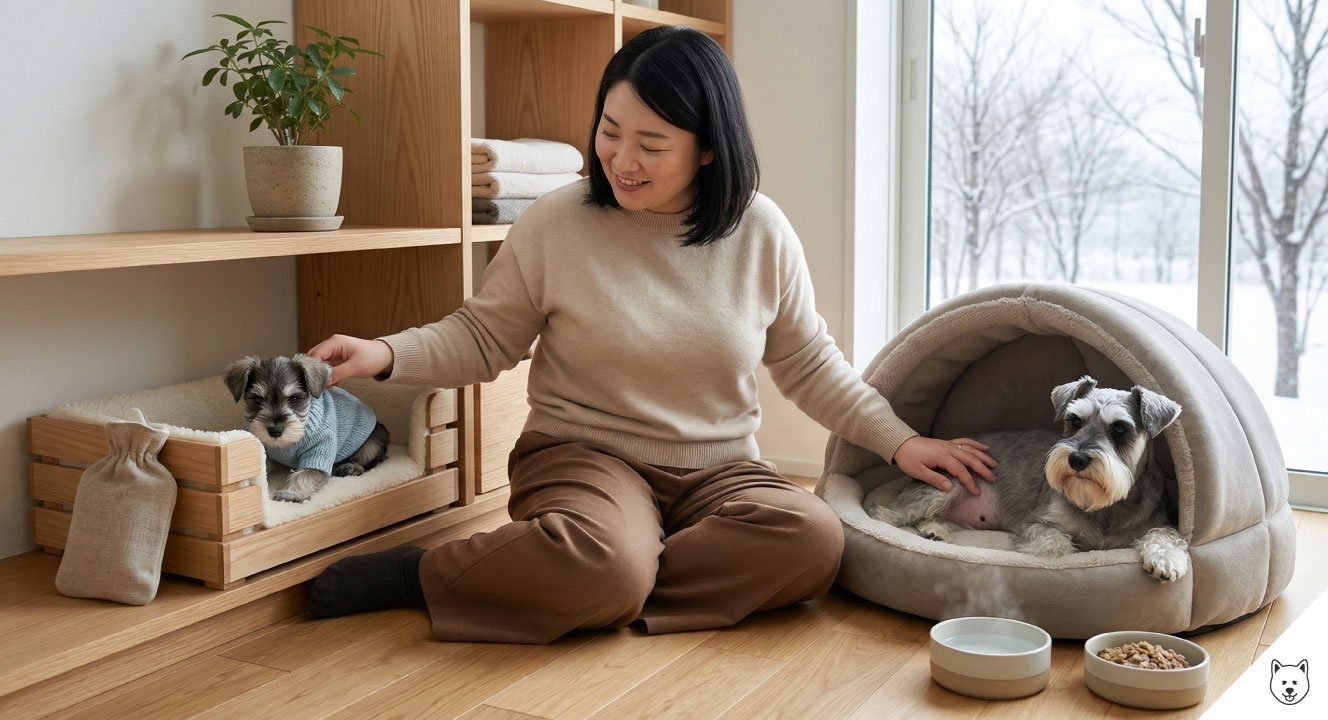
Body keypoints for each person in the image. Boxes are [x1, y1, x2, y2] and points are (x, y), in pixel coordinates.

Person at [305, 25, 996, 644]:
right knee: (606, 561)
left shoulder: (761, 231)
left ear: (707, 151)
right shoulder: (556, 222)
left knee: (813, 541)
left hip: (719, 470)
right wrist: (383, 354)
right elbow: (484, 336)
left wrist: (900, 440)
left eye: (652, 144)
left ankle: (607, 574)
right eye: (610, 131)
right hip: (583, 456)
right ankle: (427, 574)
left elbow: (809, 361)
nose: (621, 159)